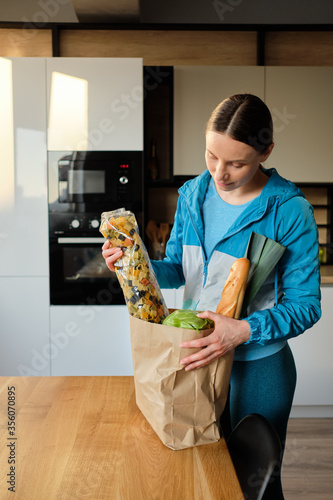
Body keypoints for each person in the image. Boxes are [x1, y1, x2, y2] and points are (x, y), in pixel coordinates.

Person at [102, 93, 321, 469]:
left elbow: (306, 305)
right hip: (196, 356)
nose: (220, 173)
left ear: (266, 151)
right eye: (211, 156)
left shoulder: (289, 211)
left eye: (237, 163)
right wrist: (134, 263)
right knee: (205, 476)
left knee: (255, 483)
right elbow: (177, 267)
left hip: (259, 368)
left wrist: (241, 331)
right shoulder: (192, 195)